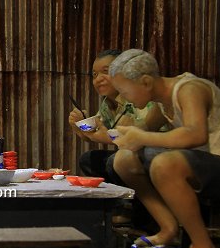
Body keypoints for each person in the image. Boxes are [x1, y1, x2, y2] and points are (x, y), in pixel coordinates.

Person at [109, 49, 220, 248]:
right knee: (124, 160)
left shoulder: (189, 89)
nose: (122, 97)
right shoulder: (160, 103)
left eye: (123, 90)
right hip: (198, 167)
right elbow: (143, 133)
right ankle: (168, 227)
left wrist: (142, 137)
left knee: (164, 163)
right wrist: (124, 135)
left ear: (146, 82)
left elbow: (196, 135)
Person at [68, 49, 167, 182]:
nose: (98, 79)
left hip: (155, 150)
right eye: (94, 74)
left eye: (105, 71)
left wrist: (108, 137)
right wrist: (79, 126)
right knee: (89, 159)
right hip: (132, 151)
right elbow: (95, 133)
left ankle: (134, 199)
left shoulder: (139, 96)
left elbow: (138, 136)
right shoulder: (107, 103)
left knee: (114, 161)